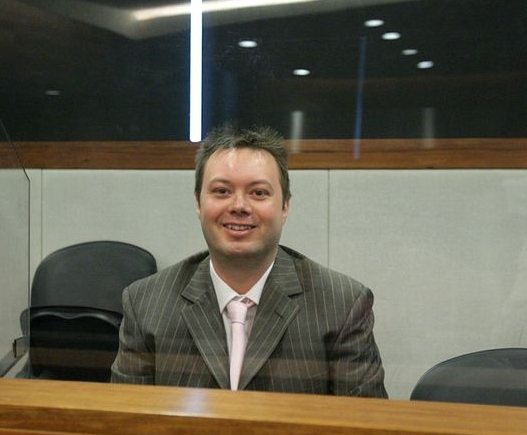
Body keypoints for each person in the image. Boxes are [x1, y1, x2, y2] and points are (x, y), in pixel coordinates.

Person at [111, 125, 387, 397]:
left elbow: (366, 431)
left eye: (258, 193)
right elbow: (123, 428)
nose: (239, 206)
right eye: (221, 191)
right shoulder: (145, 304)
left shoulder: (341, 304)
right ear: (198, 203)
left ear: (285, 206)